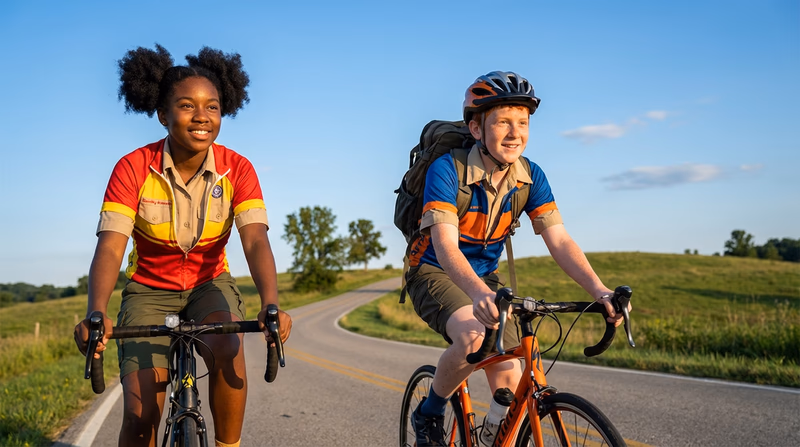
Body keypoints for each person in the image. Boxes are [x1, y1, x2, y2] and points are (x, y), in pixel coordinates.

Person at [73, 44, 292, 447]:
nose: (202, 116)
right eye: (187, 106)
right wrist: (97, 314)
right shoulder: (133, 167)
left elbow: (255, 239)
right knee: (141, 416)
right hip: (148, 290)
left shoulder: (237, 168)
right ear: (162, 114)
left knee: (227, 347)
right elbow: (110, 247)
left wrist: (270, 304)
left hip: (210, 283)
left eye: (213, 107)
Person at [404, 70, 631, 446]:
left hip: (486, 277)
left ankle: (493, 435)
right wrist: (478, 294)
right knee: (475, 336)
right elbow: (444, 245)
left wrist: (599, 289)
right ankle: (429, 411)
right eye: (503, 122)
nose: (515, 133)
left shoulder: (531, 176)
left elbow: (558, 239)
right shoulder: (448, 170)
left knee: (511, 372)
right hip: (433, 270)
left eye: (522, 123)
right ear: (477, 129)